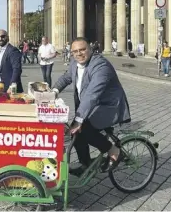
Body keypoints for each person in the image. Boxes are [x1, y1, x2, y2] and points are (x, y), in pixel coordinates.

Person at [51, 37, 131, 176]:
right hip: (92, 107)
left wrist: (79, 119)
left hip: (108, 107)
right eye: (75, 51)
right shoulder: (74, 64)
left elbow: (92, 94)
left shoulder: (100, 66)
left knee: (84, 130)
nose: (79, 53)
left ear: (90, 49)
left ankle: (114, 151)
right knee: (75, 132)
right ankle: (85, 165)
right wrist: (53, 92)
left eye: (82, 49)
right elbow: (66, 78)